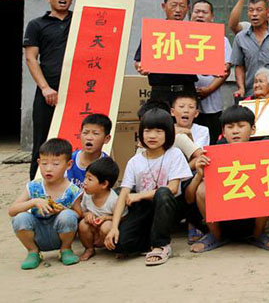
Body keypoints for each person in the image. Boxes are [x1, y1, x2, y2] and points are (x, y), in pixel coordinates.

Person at [186, 105, 269, 253]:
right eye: (230, 127)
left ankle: (258, 234)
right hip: (222, 218)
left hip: (253, 215)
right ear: (223, 132)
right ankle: (215, 236)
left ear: (253, 129)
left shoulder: (262, 150)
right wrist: (199, 174)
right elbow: (190, 198)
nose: (235, 131)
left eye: (241, 126)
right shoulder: (214, 152)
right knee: (202, 189)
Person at [105, 108, 192, 266]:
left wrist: (139, 195)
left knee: (163, 193)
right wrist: (114, 227)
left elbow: (173, 188)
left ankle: (161, 245)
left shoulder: (175, 154)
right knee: (121, 246)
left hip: (170, 207)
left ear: (168, 134)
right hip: (144, 209)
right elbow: (124, 194)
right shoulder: (135, 161)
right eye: (148, 131)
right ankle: (148, 241)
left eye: (159, 131)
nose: (152, 136)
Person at [23, 0, 73, 180]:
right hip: (48, 94)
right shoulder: (36, 25)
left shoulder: (80, 21)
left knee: (74, 138)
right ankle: (35, 188)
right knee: (43, 141)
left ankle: (74, 186)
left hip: (76, 91)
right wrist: (45, 88)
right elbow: (31, 58)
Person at [9, 138, 82, 269]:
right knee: (20, 218)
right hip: (38, 233)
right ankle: (33, 251)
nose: (48, 169)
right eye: (44, 163)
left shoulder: (72, 190)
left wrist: (63, 209)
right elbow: (12, 210)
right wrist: (34, 202)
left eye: (55, 164)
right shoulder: (33, 186)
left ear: (69, 164)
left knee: (68, 215)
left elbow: (79, 214)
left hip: (60, 232)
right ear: (38, 163)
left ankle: (65, 249)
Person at [134, 0, 198, 105]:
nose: (178, 10)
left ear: (188, 8)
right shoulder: (154, 32)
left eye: (182, 6)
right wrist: (141, 66)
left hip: (187, 91)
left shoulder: (195, 34)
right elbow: (139, 61)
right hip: (161, 91)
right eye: (173, 5)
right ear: (164, 6)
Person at [191, 0, 232, 145]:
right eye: (196, 12)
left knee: (211, 141)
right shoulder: (182, 38)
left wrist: (208, 89)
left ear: (212, 17)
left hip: (212, 102)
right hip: (187, 103)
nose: (200, 15)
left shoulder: (221, 40)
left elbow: (225, 69)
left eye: (204, 12)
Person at [78, 157, 124, 261]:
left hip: (106, 229)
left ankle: (113, 247)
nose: (85, 182)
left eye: (90, 179)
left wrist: (107, 218)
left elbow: (123, 217)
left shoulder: (113, 200)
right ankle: (89, 248)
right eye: (85, 177)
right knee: (82, 225)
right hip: (93, 229)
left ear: (104, 184)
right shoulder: (87, 195)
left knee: (107, 226)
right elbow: (82, 212)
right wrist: (87, 215)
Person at [66, 113, 112, 188]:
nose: (89, 137)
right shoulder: (69, 159)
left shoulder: (107, 166)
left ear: (107, 139)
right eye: (85, 133)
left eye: (95, 133)